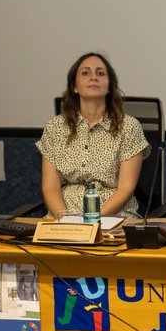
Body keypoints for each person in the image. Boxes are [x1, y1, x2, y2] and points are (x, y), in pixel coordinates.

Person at [37, 52, 149, 219]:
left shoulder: (129, 127)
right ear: (74, 86)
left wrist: (91, 221)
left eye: (100, 73)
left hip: (114, 216)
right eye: (85, 73)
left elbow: (126, 188)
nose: (93, 77)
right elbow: (50, 187)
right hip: (63, 217)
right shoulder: (55, 127)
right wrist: (66, 221)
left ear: (110, 86)